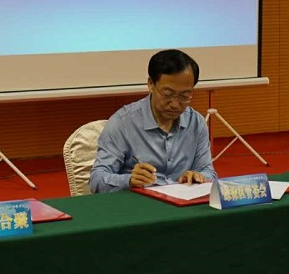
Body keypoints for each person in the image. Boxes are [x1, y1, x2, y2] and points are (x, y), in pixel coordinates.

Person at [89, 49, 216, 193]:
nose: (175, 104)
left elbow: (209, 173)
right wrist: (129, 180)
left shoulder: (196, 122)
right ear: (150, 84)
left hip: (183, 202)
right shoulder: (122, 123)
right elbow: (96, 180)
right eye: (167, 94)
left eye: (184, 96)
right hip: (140, 203)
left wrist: (199, 177)